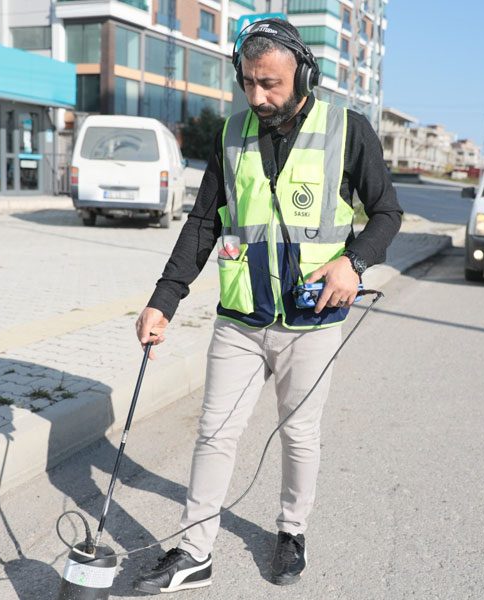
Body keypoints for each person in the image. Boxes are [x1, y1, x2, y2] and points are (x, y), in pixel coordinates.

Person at [132, 18, 402, 594]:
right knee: (214, 433)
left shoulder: (347, 130)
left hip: (312, 320)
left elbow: (387, 214)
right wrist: (164, 300)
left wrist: (353, 264)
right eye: (248, 84)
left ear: (304, 75)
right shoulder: (231, 134)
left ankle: (291, 531)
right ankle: (194, 551)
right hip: (240, 319)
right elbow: (204, 222)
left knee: (299, 433)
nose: (258, 97)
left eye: (271, 84)